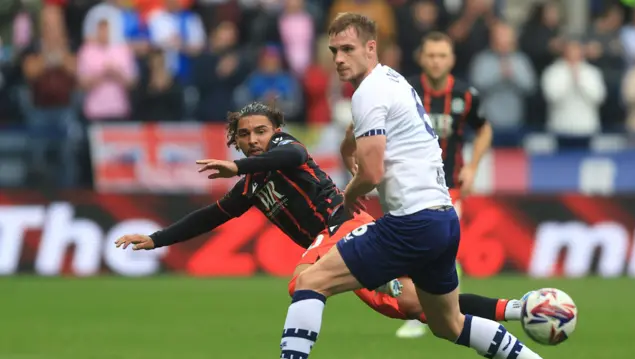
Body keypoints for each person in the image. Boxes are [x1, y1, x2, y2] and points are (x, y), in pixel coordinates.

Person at [114, 101, 524, 327]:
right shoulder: (252, 187)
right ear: (235, 139)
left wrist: (237, 167)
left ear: (275, 131)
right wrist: (155, 239)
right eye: (245, 134)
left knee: (305, 280)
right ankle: (518, 310)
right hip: (342, 245)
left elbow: (290, 152)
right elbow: (210, 216)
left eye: (262, 131)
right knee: (421, 309)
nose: (255, 139)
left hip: (346, 230)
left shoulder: (287, 151)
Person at [278, 12, 543, 359]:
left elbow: (371, 173)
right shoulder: (393, 80)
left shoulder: (368, 93)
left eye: (347, 49)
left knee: (311, 281)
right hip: (444, 221)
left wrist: (350, 194)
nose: (339, 58)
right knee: (449, 324)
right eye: (333, 51)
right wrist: (348, 151)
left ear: (370, 48)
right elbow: (358, 136)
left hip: (409, 224)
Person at [396, 31, 494, 339]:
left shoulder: (465, 95)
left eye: (442, 56)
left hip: (448, 184)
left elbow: (484, 129)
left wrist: (474, 166)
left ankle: (437, 312)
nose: (436, 62)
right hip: (408, 184)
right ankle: (427, 309)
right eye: (431, 55)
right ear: (421, 58)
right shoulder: (404, 90)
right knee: (416, 249)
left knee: (439, 248)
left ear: (451, 60)